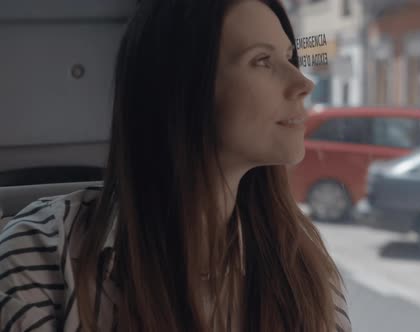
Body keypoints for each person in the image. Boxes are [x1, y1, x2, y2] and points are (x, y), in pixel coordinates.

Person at [0, 0, 352, 331]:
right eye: (262, 60)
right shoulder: (37, 261)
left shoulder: (302, 265)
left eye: (290, 58)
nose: (302, 83)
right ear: (179, 89)